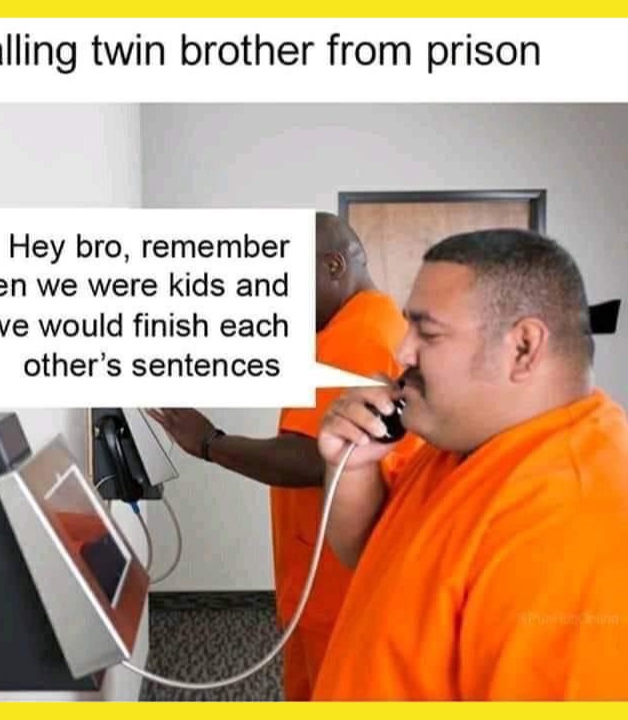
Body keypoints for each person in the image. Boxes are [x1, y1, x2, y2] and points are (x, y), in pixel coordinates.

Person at [313, 228, 628, 700]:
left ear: (523, 348)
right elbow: (373, 554)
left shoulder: (574, 524)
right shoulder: (468, 437)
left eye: (428, 333)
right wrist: (354, 467)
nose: (402, 352)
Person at [147, 211, 420, 700]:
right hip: (341, 582)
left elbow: (310, 458)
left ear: (333, 265)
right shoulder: (368, 325)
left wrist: (209, 443)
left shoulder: (357, 337)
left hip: (340, 594)